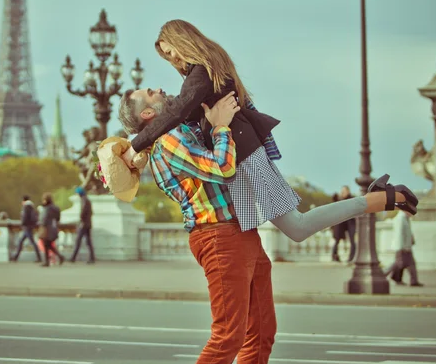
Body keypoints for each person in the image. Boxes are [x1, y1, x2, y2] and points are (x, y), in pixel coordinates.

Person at [118, 87, 420, 364]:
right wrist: (221, 127)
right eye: (150, 93)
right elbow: (222, 167)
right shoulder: (168, 139)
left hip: (239, 233)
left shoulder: (180, 130)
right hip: (217, 237)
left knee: (261, 332)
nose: (159, 89)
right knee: (227, 335)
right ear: (148, 115)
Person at [121, 19, 419, 242]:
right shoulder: (209, 67)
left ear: (182, 42)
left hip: (244, 155)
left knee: (297, 228)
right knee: (252, 226)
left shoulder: (201, 73)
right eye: (167, 57)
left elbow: (178, 111)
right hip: (243, 152)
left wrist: (136, 144)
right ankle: (382, 199)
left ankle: (381, 199)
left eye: (171, 53)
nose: (172, 61)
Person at [384, 209, 424, 287]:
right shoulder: (400, 219)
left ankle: (412, 281)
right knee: (398, 264)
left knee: (407, 264)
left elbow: (407, 231)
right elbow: (399, 234)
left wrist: (411, 239)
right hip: (402, 247)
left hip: (405, 246)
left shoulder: (405, 218)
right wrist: (403, 247)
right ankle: (383, 274)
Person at [10, 195, 42, 263]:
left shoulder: (26, 207)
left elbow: (24, 217)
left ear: (23, 201)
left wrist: (22, 224)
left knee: (32, 242)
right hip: (29, 227)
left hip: (27, 227)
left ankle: (39, 258)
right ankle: (16, 257)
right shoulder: (31, 207)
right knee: (21, 241)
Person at [69, 186, 95, 264]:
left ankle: (73, 257)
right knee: (88, 242)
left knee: (78, 241)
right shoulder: (87, 200)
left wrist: (81, 220)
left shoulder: (84, 200)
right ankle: (92, 258)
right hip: (88, 223)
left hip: (83, 224)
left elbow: (83, 212)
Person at [331, 186, 356, 263]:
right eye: (342, 191)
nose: (343, 193)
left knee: (352, 240)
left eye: (344, 191)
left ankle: (351, 258)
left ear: (348, 191)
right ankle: (334, 256)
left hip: (350, 222)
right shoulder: (339, 199)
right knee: (337, 240)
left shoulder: (352, 199)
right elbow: (333, 201)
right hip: (341, 223)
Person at [38, 192, 64, 267]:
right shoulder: (56, 208)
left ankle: (47, 262)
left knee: (46, 244)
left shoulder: (46, 208)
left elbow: (43, 219)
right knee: (49, 245)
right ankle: (60, 257)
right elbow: (58, 218)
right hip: (54, 228)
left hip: (46, 229)